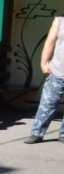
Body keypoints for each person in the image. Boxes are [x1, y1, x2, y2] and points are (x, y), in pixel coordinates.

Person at [24, 15, 64, 144]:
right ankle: (37, 133)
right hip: (57, 71)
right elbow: (50, 42)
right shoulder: (59, 20)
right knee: (47, 104)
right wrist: (43, 63)